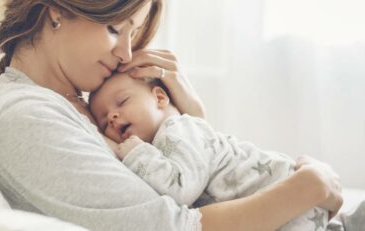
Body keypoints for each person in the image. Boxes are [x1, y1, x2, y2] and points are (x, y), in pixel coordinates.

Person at [0, 0, 344, 230]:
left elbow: (199, 187)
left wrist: (191, 118)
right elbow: (175, 225)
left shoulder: (82, 104)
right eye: (114, 29)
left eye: (131, 37)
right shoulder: (28, 119)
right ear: (56, 13)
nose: (125, 53)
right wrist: (306, 187)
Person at [89, 72, 330, 230]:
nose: (112, 116)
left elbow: (180, 191)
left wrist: (136, 153)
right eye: (102, 122)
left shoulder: (179, 128)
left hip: (291, 204)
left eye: (122, 102)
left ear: (160, 97)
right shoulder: (164, 142)